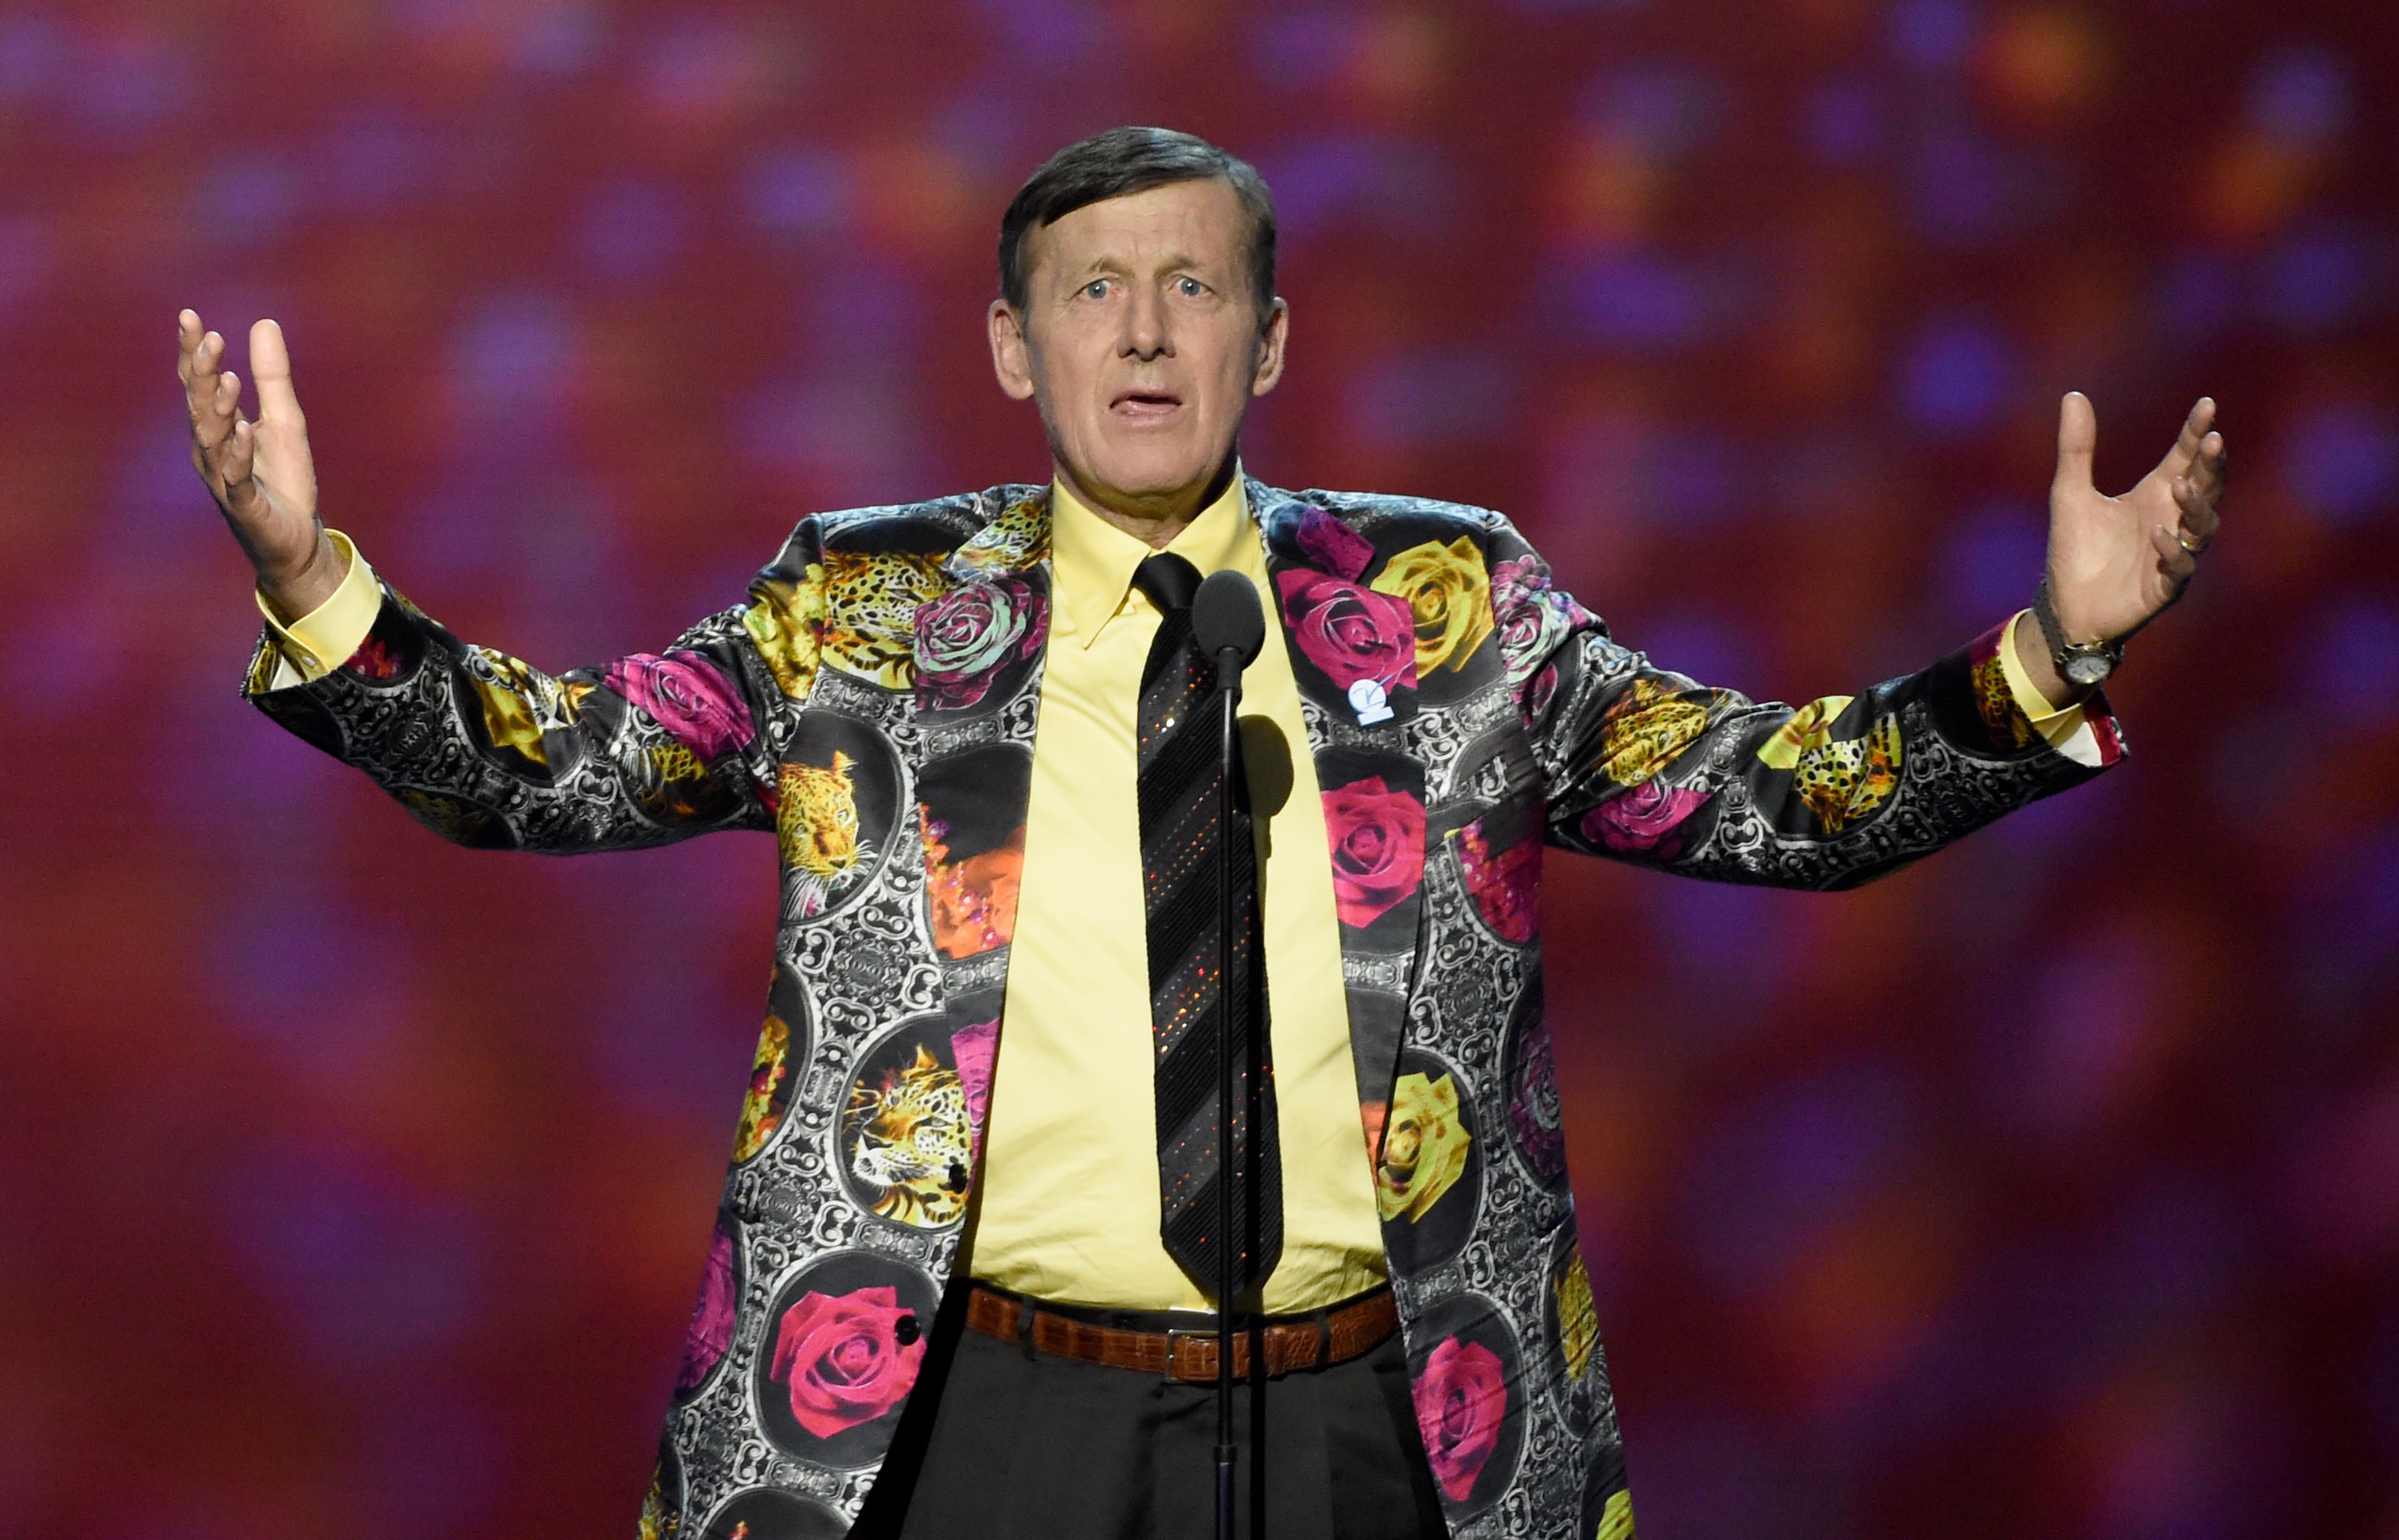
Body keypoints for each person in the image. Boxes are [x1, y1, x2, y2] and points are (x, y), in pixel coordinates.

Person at [179, 126, 2223, 1540]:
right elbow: (555, 765)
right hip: (970, 1417)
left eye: (1191, 289)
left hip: (1374, 1419)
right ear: (1012, 345)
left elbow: (1776, 797)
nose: (1145, 336)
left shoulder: (1451, 613)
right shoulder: (860, 613)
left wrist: (2048, 651)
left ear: (1268, 340)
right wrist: (317, 586)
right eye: (1092, 293)